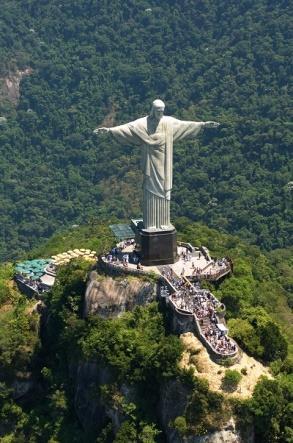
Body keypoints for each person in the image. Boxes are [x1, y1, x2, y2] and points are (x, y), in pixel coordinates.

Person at [94, 99, 219, 230]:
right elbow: (127, 128)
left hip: (164, 164)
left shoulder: (168, 122)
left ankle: (164, 223)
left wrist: (203, 124)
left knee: (164, 191)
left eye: (162, 111)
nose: (160, 113)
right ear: (153, 110)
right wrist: (109, 130)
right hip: (150, 163)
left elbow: (185, 125)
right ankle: (151, 224)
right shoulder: (142, 124)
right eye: (158, 111)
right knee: (150, 191)